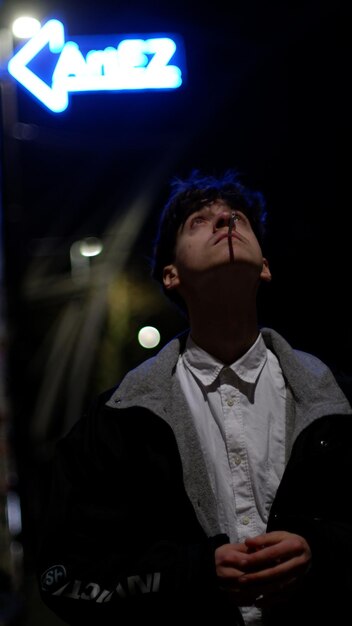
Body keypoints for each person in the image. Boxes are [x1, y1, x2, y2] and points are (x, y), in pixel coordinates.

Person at [37, 170, 352, 626]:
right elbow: (63, 577)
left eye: (237, 217)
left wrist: (319, 552)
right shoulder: (116, 423)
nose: (224, 219)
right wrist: (192, 574)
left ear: (264, 265)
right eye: (198, 221)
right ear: (171, 275)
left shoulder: (338, 402)